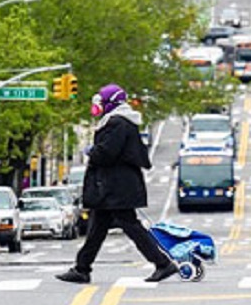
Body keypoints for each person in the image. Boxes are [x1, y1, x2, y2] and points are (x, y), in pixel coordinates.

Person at [57, 85, 179, 284]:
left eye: (101, 102)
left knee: (131, 227)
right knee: (97, 228)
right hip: (113, 186)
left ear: (110, 103)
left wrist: (91, 151)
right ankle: (82, 268)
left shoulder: (118, 123)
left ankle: (163, 264)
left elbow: (107, 153)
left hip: (117, 187)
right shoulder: (118, 122)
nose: (97, 107)